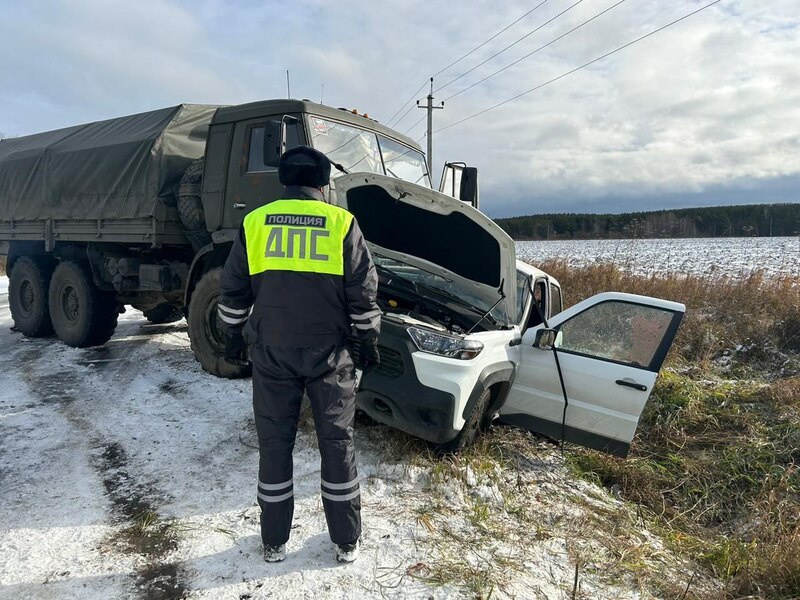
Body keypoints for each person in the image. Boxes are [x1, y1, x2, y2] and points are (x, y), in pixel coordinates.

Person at [218, 145, 381, 563]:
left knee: (275, 445)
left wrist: (231, 333)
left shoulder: (255, 222)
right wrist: (368, 341)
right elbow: (361, 292)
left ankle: (274, 541)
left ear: (284, 181)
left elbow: (233, 286)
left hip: (272, 353)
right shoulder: (342, 222)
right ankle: (346, 541)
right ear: (324, 183)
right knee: (336, 442)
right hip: (329, 354)